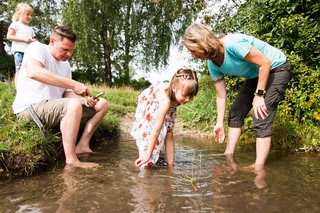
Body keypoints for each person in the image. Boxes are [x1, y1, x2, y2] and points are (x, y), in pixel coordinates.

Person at [182, 23, 291, 169]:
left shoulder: (232, 44)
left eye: (193, 51)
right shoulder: (212, 64)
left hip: (276, 68)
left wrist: (259, 96)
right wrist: (219, 123)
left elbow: (265, 63)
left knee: (261, 113)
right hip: (255, 75)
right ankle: (228, 154)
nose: (193, 55)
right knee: (235, 112)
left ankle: (258, 167)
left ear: (202, 42)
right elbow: (221, 95)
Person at [12, 25, 109, 168]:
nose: (69, 54)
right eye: (65, 49)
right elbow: (34, 72)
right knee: (73, 105)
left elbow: (65, 93)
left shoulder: (65, 65)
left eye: (71, 51)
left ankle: (82, 145)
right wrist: (73, 84)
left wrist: (83, 100)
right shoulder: (36, 48)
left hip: (54, 108)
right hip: (29, 108)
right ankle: (71, 160)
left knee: (102, 104)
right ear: (52, 41)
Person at [131, 68, 199, 168]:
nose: (188, 99)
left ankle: (167, 163)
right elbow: (156, 130)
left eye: (191, 96)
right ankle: (144, 161)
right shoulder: (165, 102)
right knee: (148, 139)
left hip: (168, 103)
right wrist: (148, 156)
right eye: (185, 95)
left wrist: (171, 166)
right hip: (150, 101)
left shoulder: (177, 97)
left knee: (168, 131)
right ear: (174, 87)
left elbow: (169, 135)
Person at [7, 2, 37, 86]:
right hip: (19, 51)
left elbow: (33, 40)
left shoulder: (30, 29)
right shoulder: (15, 25)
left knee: (28, 71)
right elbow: (9, 36)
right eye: (27, 14)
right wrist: (24, 39)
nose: (30, 17)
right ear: (19, 14)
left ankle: (27, 89)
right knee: (19, 71)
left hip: (29, 53)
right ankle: (18, 91)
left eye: (31, 15)